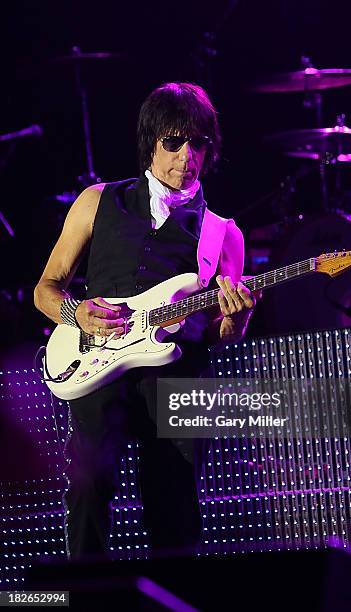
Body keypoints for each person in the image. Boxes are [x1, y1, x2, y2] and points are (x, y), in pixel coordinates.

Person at [34, 82, 257, 560]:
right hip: (96, 366)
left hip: (177, 376)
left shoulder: (224, 234)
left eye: (198, 143)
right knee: (90, 488)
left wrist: (235, 323)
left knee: (173, 504)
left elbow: (222, 333)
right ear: (150, 143)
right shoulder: (97, 200)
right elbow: (45, 288)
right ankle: (83, 597)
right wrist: (77, 314)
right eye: (172, 142)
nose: (186, 156)